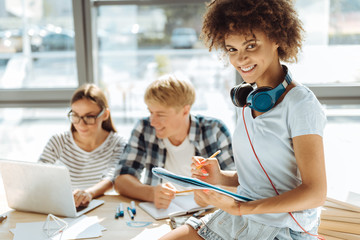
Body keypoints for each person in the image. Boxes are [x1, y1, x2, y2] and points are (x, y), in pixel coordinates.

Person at [160, 0, 327, 239]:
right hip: (241, 217)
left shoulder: (301, 104)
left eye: (251, 45)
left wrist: (241, 207)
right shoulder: (248, 100)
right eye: (232, 49)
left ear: (276, 38)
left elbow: (315, 193)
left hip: (283, 227)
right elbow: (261, 177)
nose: (241, 59)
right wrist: (219, 177)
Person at [114, 74, 235, 209]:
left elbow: (238, 183)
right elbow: (121, 180)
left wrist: (211, 195)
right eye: (150, 112)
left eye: (160, 114)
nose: (152, 121)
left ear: (185, 110)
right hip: (162, 213)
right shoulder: (144, 128)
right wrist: (151, 193)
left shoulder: (214, 130)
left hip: (209, 213)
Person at [39, 84, 126, 208]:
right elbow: (40, 173)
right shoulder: (58, 141)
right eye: (75, 116)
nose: (81, 124)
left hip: (101, 208)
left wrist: (88, 193)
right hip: (66, 205)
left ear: (105, 114)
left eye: (89, 117)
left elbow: (112, 178)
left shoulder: (118, 143)